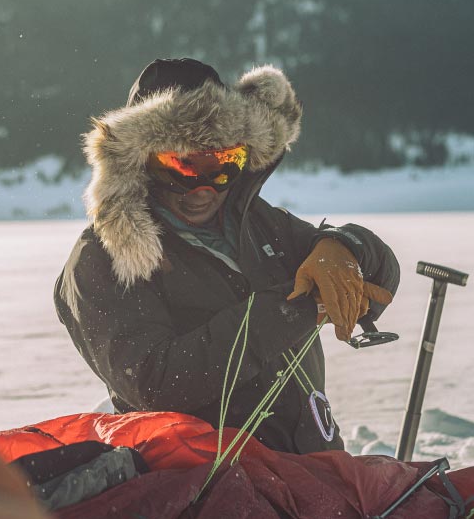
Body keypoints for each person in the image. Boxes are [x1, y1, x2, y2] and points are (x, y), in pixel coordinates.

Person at [55, 58, 399, 454]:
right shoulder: (104, 256)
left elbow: (380, 276)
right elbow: (155, 383)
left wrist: (344, 247)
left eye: (223, 165)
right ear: (141, 163)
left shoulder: (257, 222)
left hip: (313, 466)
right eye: (183, 167)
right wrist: (296, 308)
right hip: (198, 487)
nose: (203, 188)